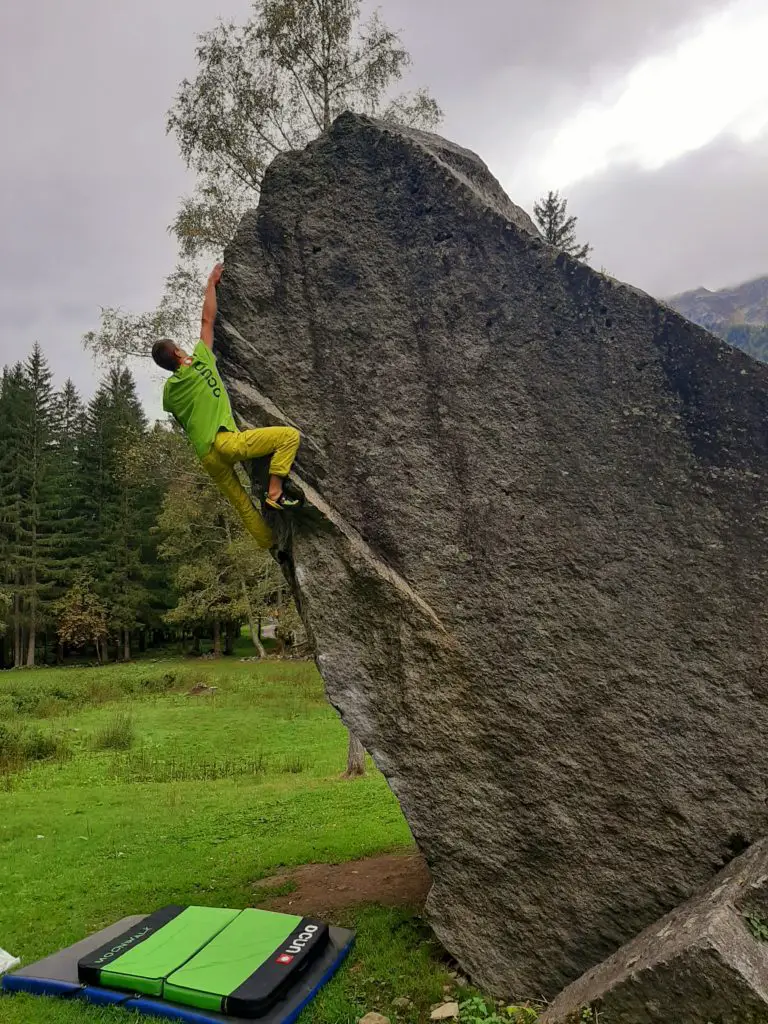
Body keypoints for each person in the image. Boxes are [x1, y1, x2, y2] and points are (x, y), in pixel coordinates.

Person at [151, 262, 301, 550]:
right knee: (288, 437)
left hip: (207, 457)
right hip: (226, 441)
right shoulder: (200, 360)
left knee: (241, 503)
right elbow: (208, 321)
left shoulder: (169, 393)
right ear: (180, 352)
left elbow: (175, 410)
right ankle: (274, 492)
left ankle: (270, 545)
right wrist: (211, 283)